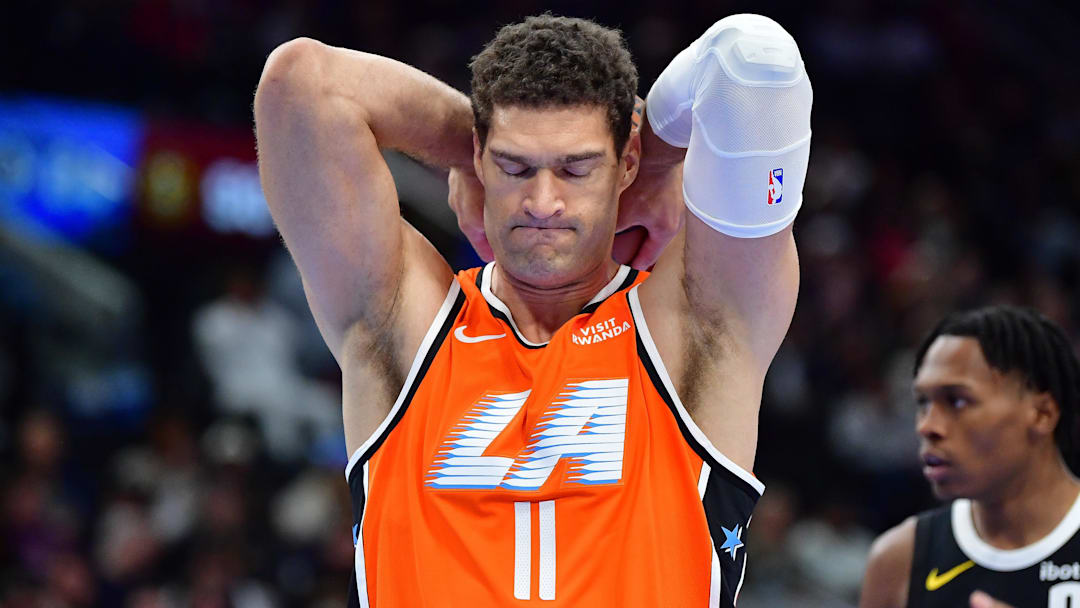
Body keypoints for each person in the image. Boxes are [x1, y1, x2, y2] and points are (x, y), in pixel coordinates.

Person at [254, 12, 811, 606]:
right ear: (482, 155)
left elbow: (754, 61)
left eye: (576, 168)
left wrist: (656, 157)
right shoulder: (402, 321)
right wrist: (463, 155)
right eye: (516, 167)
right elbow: (301, 84)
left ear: (621, 163)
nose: (543, 202)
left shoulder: (700, 327)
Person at [860, 306, 1080, 608]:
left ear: (1042, 414)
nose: (927, 426)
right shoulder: (899, 559)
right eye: (923, 402)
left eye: (957, 400)